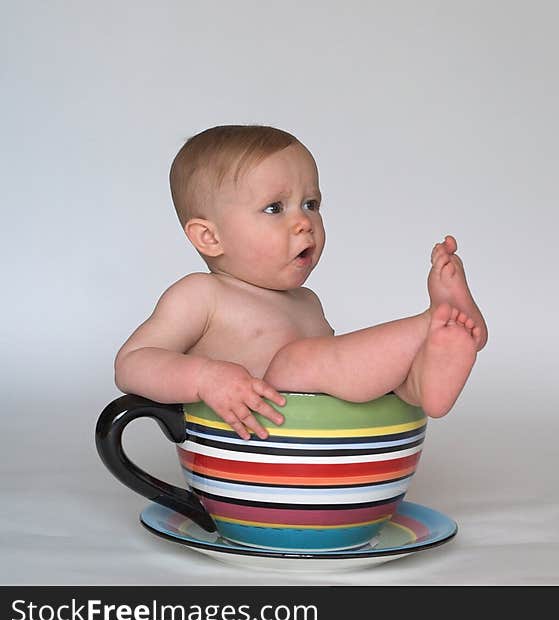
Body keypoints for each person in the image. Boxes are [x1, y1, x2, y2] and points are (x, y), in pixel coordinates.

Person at [114, 125, 487, 440]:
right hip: (261, 448)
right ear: (210, 237)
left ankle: (426, 375)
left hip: (328, 445)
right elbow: (131, 363)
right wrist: (205, 377)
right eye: (275, 208)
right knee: (296, 361)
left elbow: (345, 370)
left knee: (378, 382)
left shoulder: (306, 301)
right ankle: (433, 322)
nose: (304, 222)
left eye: (311, 204)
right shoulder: (201, 295)